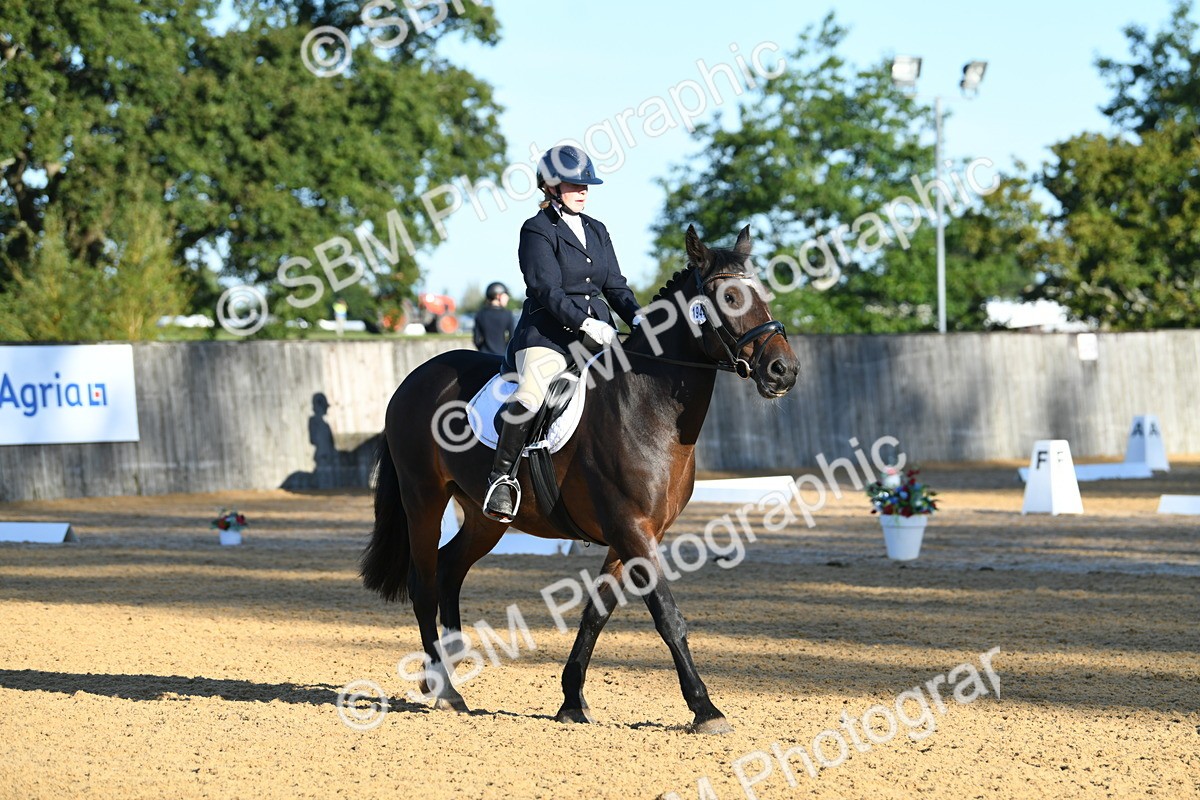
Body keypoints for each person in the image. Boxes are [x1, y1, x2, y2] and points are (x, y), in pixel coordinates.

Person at [482, 145, 643, 523]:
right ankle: (501, 479)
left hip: (598, 336)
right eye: (575, 184)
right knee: (531, 394)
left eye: (587, 185)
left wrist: (638, 318)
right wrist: (586, 323)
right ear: (551, 187)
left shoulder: (597, 230)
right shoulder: (536, 230)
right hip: (549, 336)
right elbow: (546, 289)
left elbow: (615, 286)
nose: (584, 190)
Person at [472, 281, 515, 356]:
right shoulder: (507, 314)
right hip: (501, 356)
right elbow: (512, 338)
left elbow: (476, 340)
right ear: (498, 296)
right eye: (506, 295)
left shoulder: (480, 314)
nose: (507, 298)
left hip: (484, 356)